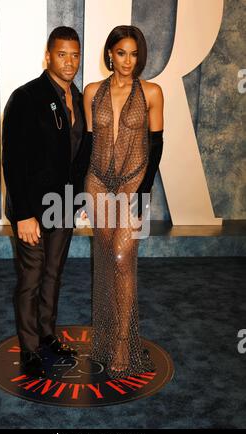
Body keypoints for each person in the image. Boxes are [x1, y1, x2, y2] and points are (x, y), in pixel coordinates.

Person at [2, 26, 88, 378]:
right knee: (31, 279)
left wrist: (78, 197)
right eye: (62, 54)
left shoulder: (79, 98)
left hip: (63, 206)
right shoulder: (26, 97)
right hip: (33, 211)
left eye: (75, 55)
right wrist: (23, 214)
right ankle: (29, 347)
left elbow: (80, 152)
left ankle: (48, 334)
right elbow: (12, 158)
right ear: (48, 56)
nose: (69, 62)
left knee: (54, 275)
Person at [83, 25, 164, 378]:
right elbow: (86, 145)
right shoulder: (91, 92)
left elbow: (157, 145)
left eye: (133, 54)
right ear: (110, 54)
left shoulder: (152, 92)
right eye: (121, 53)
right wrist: (76, 190)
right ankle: (104, 332)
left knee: (122, 257)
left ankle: (120, 341)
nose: (128, 61)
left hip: (134, 181)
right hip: (97, 181)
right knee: (104, 257)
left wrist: (144, 193)